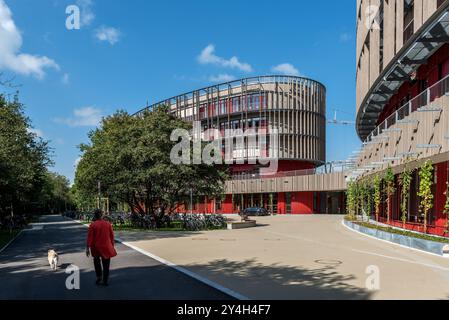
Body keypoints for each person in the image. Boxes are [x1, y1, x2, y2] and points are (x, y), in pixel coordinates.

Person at [86, 209, 117, 286]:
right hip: (106, 246)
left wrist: (87, 248)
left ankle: (99, 276)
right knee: (106, 264)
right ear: (102, 215)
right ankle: (105, 280)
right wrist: (112, 246)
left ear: (95, 215)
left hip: (95, 247)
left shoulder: (92, 225)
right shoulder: (108, 224)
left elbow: (90, 238)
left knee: (96, 261)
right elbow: (112, 236)